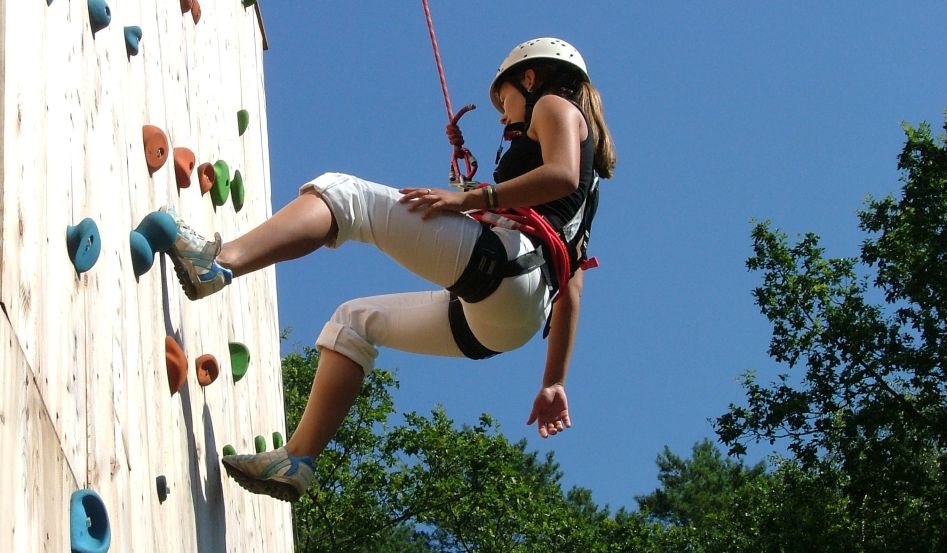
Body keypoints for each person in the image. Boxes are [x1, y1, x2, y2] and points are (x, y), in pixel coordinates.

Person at [164, 37, 616, 502]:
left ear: (530, 77)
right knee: (353, 323)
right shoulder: (587, 201)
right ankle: (296, 460)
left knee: (343, 195)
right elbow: (572, 292)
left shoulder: (555, 104)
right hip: (511, 320)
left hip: (501, 267)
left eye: (505, 100)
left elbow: (558, 173)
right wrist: (553, 381)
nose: (503, 115)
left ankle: (218, 262)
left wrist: (472, 199)